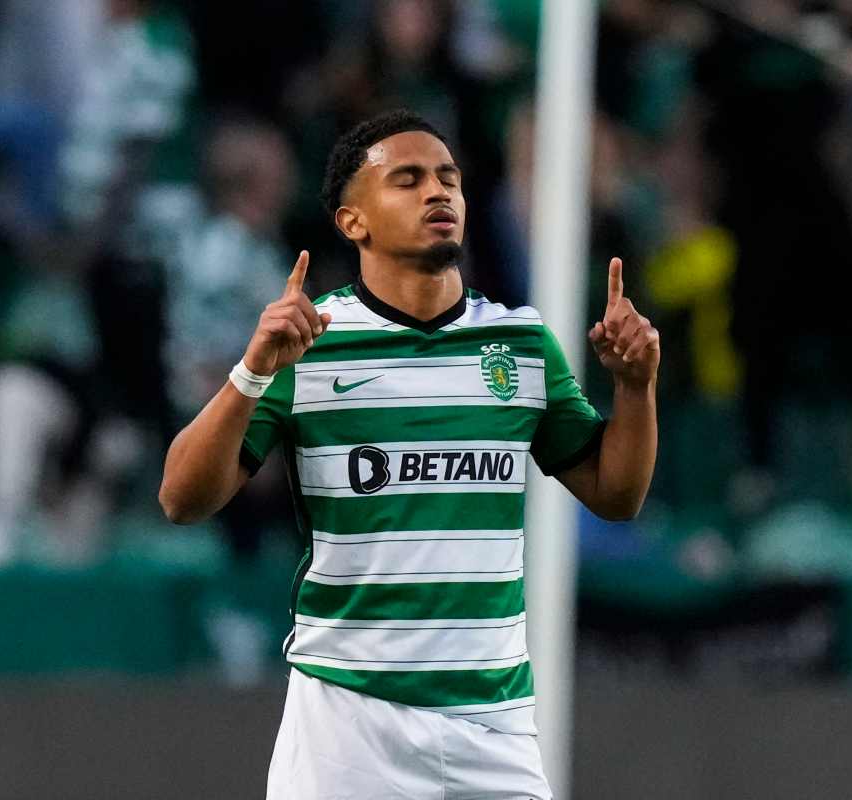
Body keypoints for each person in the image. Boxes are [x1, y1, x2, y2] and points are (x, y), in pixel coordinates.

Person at [159, 110, 660, 799]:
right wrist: (250, 372)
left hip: (493, 720)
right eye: (408, 179)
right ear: (353, 221)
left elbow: (616, 494)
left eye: (449, 178)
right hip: (347, 721)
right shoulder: (309, 345)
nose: (438, 192)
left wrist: (635, 387)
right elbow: (181, 499)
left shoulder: (520, 345)